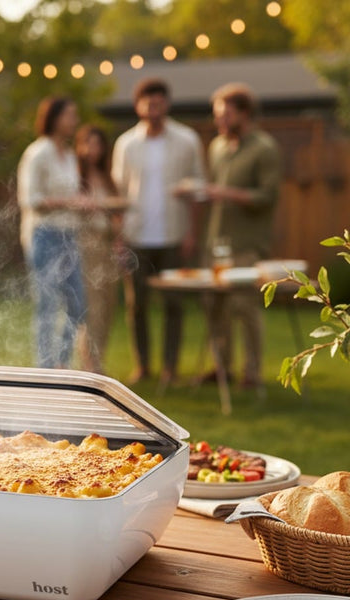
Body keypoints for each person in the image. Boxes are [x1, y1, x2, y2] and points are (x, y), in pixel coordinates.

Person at [111, 78, 206, 385]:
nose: (153, 107)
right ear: (138, 106)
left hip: (174, 234)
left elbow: (197, 189)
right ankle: (142, 365)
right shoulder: (126, 143)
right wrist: (118, 236)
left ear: (167, 103)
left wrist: (191, 233)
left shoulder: (187, 139)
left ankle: (170, 367)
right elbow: (118, 193)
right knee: (136, 304)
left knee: (173, 304)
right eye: (148, 102)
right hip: (136, 236)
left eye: (159, 101)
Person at [203, 82, 282, 390]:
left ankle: (252, 373)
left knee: (244, 307)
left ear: (244, 113)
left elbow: (267, 196)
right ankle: (222, 368)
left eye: (225, 115)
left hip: (247, 244)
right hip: (216, 242)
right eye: (216, 115)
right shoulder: (217, 147)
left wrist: (225, 193)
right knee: (214, 306)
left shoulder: (264, 149)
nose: (219, 121)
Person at [17, 96, 91, 369]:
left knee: (77, 304)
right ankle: (46, 368)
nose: (75, 120)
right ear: (55, 118)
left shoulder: (70, 155)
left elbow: (72, 194)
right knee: (47, 304)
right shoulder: (37, 153)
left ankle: (62, 363)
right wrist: (69, 202)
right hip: (44, 235)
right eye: (70, 115)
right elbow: (30, 199)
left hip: (68, 235)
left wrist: (83, 204)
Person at [74, 124, 126, 374]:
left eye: (97, 144)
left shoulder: (107, 179)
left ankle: (98, 361)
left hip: (107, 247)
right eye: (88, 143)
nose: (92, 149)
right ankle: (90, 366)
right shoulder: (75, 179)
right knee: (92, 308)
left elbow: (116, 214)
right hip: (86, 248)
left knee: (108, 306)